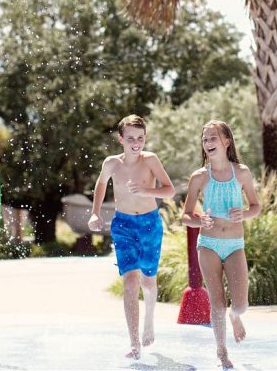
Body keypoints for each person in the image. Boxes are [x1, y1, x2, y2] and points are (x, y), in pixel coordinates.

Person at [89, 114, 175, 359]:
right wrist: (95, 214)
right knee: (130, 282)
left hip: (149, 224)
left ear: (145, 138)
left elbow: (169, 190)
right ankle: (134, 343)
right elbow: (100, 185)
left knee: (148, 280)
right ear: (121, 139)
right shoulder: (112, 164)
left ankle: (149, 320)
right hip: (123, 225)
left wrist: (146, 190)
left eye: (140, 138)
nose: (135, 143)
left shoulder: (151, 161)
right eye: (130, 139)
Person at [181, 120, 261, 369]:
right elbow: (185, 216)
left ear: (226, 141)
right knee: (216, 302)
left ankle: (235, 317)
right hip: (209, 245)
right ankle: (222, 352)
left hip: (235, 244)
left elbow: (256, 206)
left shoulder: (242, 173)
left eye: (213, 138)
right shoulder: (199, 177)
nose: (208, 143)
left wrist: (245, 215)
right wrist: (199, 220)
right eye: (205, 139)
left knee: (240, 305)